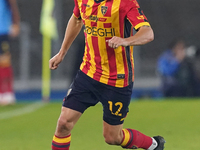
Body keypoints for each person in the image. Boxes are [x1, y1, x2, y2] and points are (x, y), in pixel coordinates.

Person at [49, 0, 165, 150]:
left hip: (117, 79)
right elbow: (77, 20)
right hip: (88, 73)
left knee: (112, 137)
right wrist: (61, 53)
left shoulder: (125, 2)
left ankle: (153, 144)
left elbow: (148, 33)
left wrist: (125, 41)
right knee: (64, 123)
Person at [0, 0, 20, 105]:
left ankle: (7, 92)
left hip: (2, 30)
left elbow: (12, 4)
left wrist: (15, 23)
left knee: (5, 62)